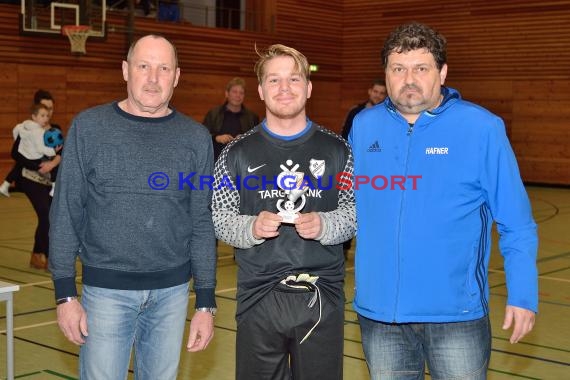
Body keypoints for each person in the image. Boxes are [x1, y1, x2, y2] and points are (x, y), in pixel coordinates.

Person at [350, 22, 538, 379]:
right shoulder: (364, 125)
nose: (409, 79)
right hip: (380, 316)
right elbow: (347, 204)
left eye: (421, 68)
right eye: (398, 69)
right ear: (386, 75)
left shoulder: (482, 128)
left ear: (442, 72)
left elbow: (516, 222)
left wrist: (523, 293)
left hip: (456, 315)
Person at [49, 34, 217, 379]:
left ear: (177, 76)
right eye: (144, 66)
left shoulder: (196, 138)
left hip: (171, 296)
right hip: (105, 294)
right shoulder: (88, 127)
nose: (153, 78)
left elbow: (202, 221)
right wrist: (65, 295)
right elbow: (66, 211)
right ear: (126, 70)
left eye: (163, 68)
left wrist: (205, 301)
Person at [211, 44, 355, 380]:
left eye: (293, 79)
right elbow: (219, 216)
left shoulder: (338, 149)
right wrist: (250, 228)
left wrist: (325, 224)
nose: (284, 88)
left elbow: (356, 211)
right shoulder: (235, 151)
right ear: (260, 90)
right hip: (259, 298)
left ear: (308, 87)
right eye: (274, 80)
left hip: (322, 296)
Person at [339, 79, 387, 257]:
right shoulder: (356, 112)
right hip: (356, 169)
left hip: (379, 173)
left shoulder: (390, 115)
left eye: (382, 93)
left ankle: (375, 249)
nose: (378, 95)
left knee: (375, 212)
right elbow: (344, 138)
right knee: (350, 208)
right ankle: (343, 249)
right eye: (376, 92)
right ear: (369, 91)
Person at [1, 89, 62, 197]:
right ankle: (6, 184)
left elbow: (60, 154)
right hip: (29, 178)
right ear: (36, 110)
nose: (48, 112)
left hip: (48, 180)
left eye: (51, 109)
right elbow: (15, 154)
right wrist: (37, 166)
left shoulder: (55, 130)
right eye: (45, 108)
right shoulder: (28, 129)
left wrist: (51, 164)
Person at [203, 77, 259, 160]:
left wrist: (246, 138)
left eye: (241, 93)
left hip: (243, 162)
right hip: (216, 161)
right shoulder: (213, 114)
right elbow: (203, 136)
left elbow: (259, 140)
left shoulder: (252, 117)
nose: (238, 95)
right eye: (234, 92)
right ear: (226, 94)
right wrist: (216, 138)